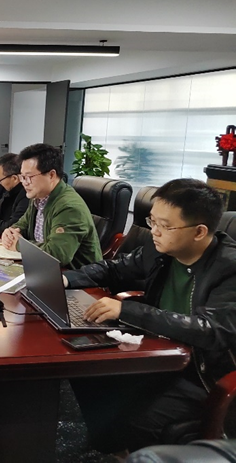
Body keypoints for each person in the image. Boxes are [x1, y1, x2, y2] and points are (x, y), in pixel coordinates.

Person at [63, 178, 236, 454]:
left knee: (135, 417)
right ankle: (108, 449)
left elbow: (210, 330)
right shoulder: (161, 250)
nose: (153, 231)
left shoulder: (229, 268)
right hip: (157, 355)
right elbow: (115, 269)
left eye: (164, 225)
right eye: (152, 221)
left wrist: (128, 310)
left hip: (199, 375)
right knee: (86, 373)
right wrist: (66, 279)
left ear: (199, 231)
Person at [0, 143, 101, 269]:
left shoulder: (69, 207)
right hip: (42, 268)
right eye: (22, 177)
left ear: (51, 175)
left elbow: (56, 255)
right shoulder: (38, 197)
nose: (24, 183)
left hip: (74, 276)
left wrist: (19, 244)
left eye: (29, 177)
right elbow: (21, 225)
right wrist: (9, 233)